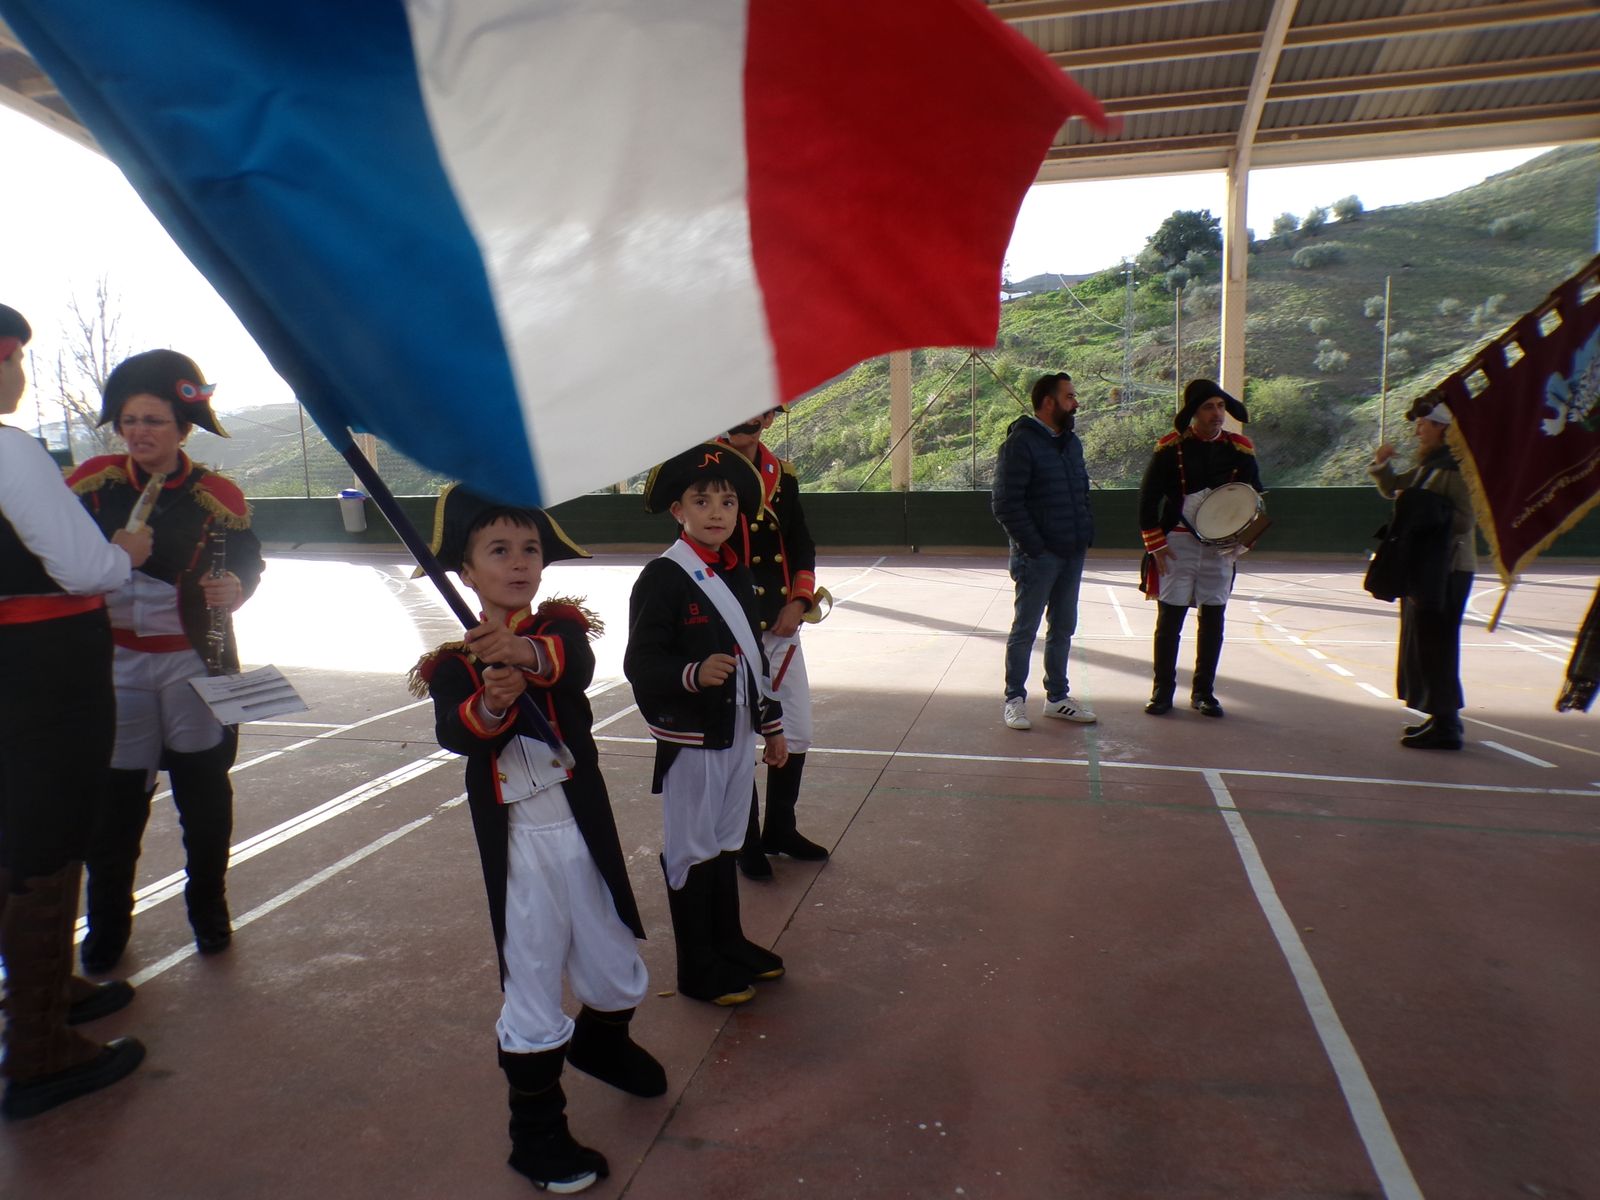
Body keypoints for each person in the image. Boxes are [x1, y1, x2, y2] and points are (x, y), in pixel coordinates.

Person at [411, 485, 663, 1194]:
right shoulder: (453, 665)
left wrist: (520, 651)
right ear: (466, 572)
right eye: (498, 550)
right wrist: (489, 697)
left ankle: (604, 1046)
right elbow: (457, 734)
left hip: (580, 833)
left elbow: (570, 669)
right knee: (530, 971)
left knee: (613, 962)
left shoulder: (560, 629)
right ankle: (537, 1132)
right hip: (520, 845)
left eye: (529, 549)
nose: (519, 562)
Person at [0, 303, 149, 1120]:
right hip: (47, 677)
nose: (20, 373)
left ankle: (42, 998)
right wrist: (124, 553)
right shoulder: (8, 449)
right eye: (15, 357)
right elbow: (84, 566)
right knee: (50, 838)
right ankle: (40, 1047)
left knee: (16, 836)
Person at [68, 350, 264, 971]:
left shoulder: (215, 497)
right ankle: (106, 928)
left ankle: (208, 909)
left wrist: (236, 588)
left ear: (182, 427)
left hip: (190, 668)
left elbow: (246, 562)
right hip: (117, 668)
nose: (139, 433)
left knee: (204, 801)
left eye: (154, 420)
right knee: (115, 807)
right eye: (129, 420)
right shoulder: (90, 487)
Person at [625, 442, 787, 1007]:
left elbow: (757, 659)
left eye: (727, 501)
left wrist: (774, 727)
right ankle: (696, 966)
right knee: (692, 850)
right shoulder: (663, 577)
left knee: (726, 842)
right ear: (678, 510)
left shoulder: (736, 571)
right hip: (693, 741)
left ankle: (729, 942)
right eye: (702, 500)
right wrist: (693, 673)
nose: (717, 511)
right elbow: (641, 664)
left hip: (739, 732)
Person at [719, 410, 828, 880]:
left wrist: (800, 599)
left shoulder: (781, 474)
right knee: (743, 738)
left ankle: (780, 829)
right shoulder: (705, 472)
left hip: (782, 624)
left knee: (797, 728)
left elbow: (800, 542)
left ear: (766, 415)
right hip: (730, 624)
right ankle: (746, 842)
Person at [1137, 379, 1264, 718]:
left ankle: (1204, 693)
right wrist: (1157, 546)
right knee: (1170, 620)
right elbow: (1148, 500)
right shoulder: (1169, 449)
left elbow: (1258, 500)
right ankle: (1162, 691)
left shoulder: (1240, 449)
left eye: (1221, 407)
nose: (1217, 414)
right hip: (1176, 543)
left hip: (1220, 549)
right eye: (1209, 407)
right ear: (1193, 412)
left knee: (1213, 619)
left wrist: (1243, 543)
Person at [990, 371, 1096, 731]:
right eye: (1069, 396)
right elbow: (1005, 503)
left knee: (1063, 626)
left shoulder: (1071, 442)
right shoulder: (1020, 443)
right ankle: (1015, 700)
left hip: (1071, 551)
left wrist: (1083, 533)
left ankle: (1057, 698)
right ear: (1049, 402)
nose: (1075, 402)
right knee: (1026, 629)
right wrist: (1034, 546)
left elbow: (1081, 491)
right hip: (1038, 557)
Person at [1370, 394, 1476, 750]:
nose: (1418, 431)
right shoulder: (1431, 465)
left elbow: (1464, 520)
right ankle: (1439, 716)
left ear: (1443, 429)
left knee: (1438, 643)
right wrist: (1382, 464)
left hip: (1447, 568)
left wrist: (1424, 511)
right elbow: (1394, 487)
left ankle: (1447, 726)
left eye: (1425, 424)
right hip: (1425, 564)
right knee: (1425, 644)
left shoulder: (1458, 467)